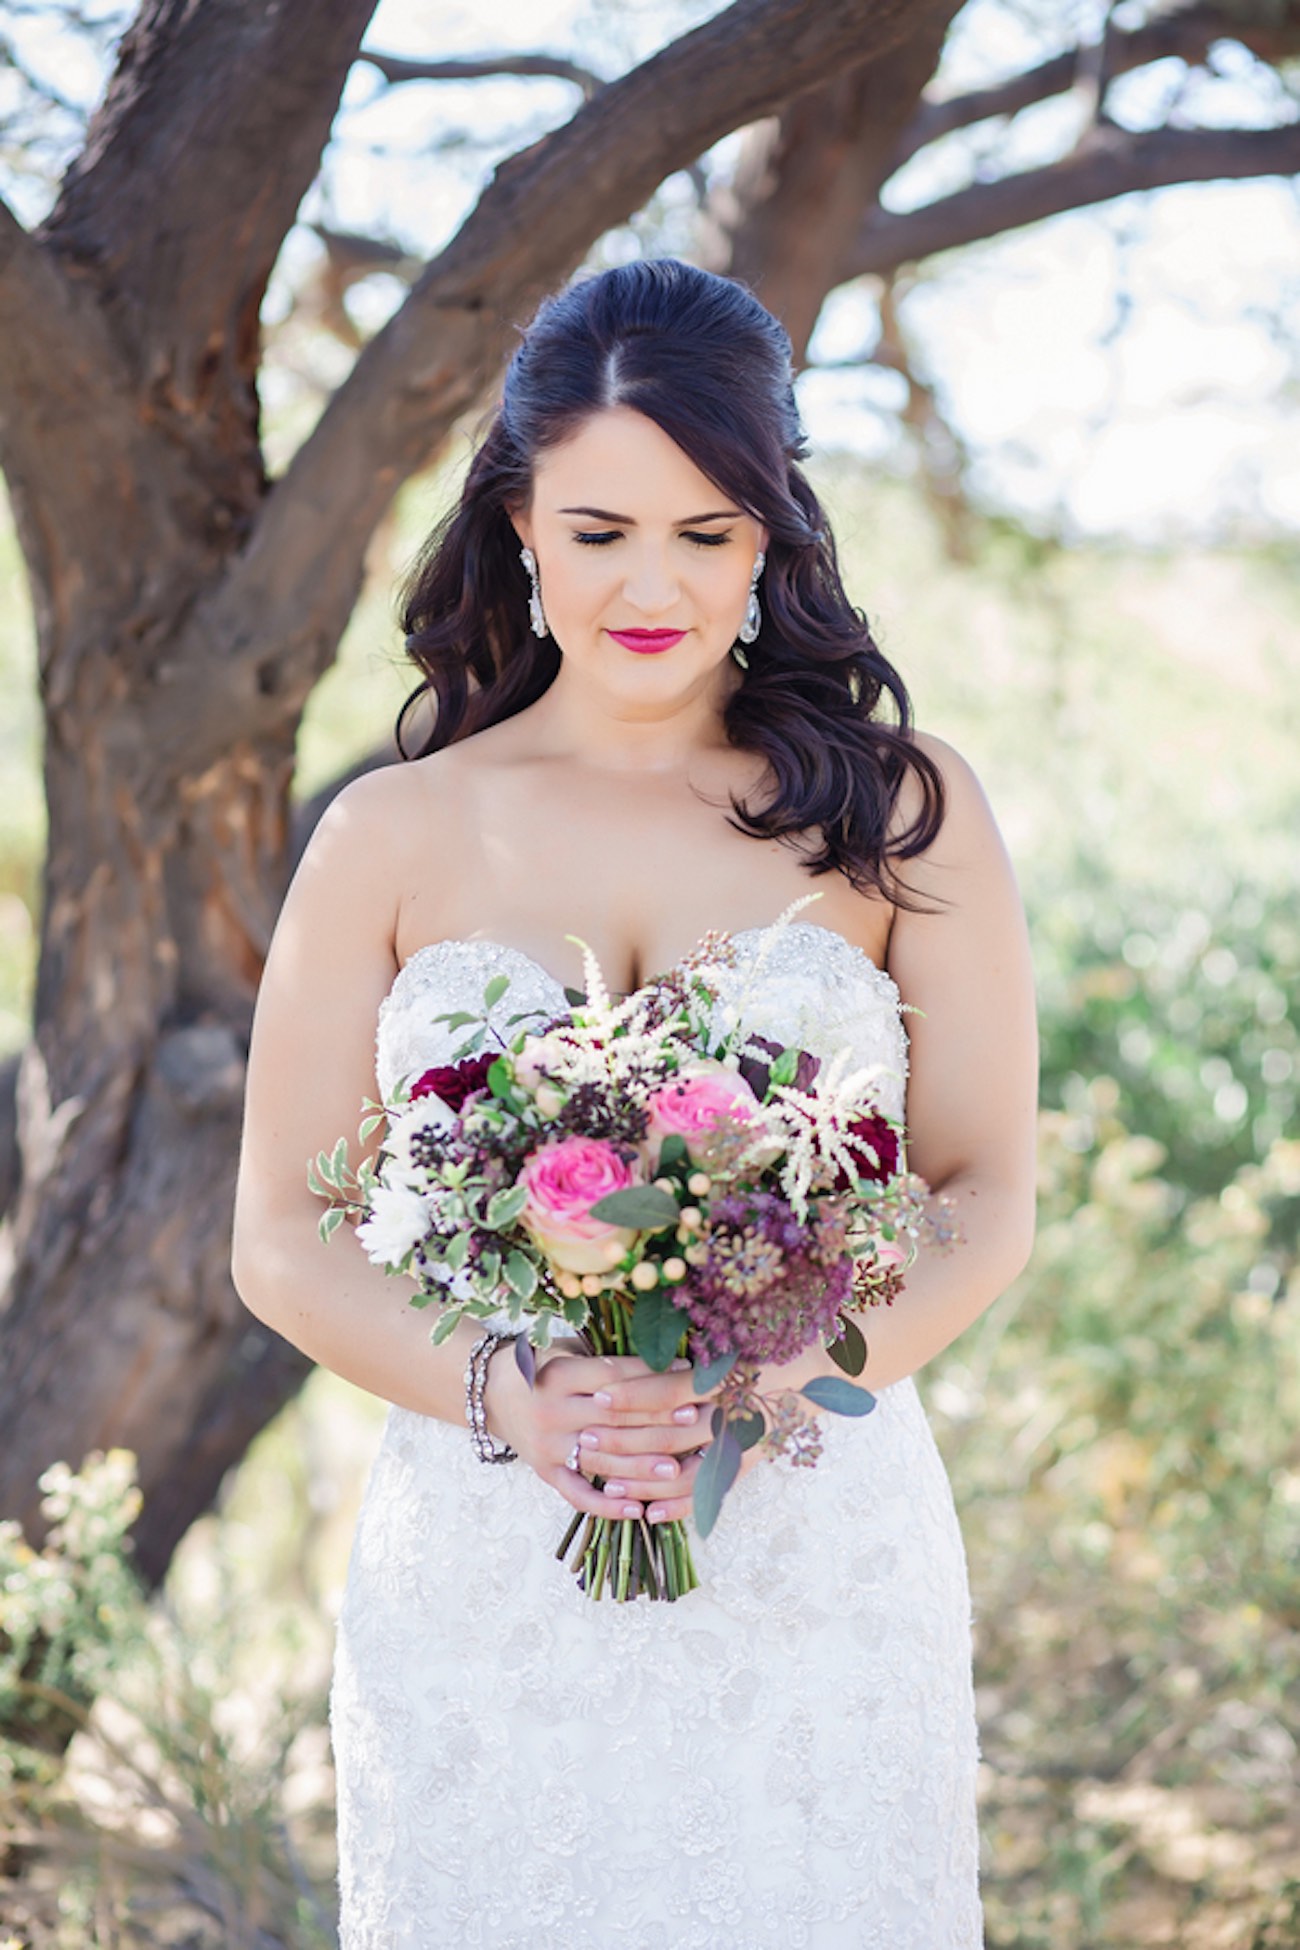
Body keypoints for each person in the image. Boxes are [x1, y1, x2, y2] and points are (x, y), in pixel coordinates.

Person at [231, 256, 1038, 1948]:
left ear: (770, 534)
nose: (650, 584)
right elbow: (284, 1240)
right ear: (522, 523)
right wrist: (506, 1393)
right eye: (601, 532)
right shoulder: (391, 833)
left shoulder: (898, 810)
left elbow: (980, 1192)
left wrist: (790, 1365)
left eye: (705, 530)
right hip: (485, 1549)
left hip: (819, 1535)